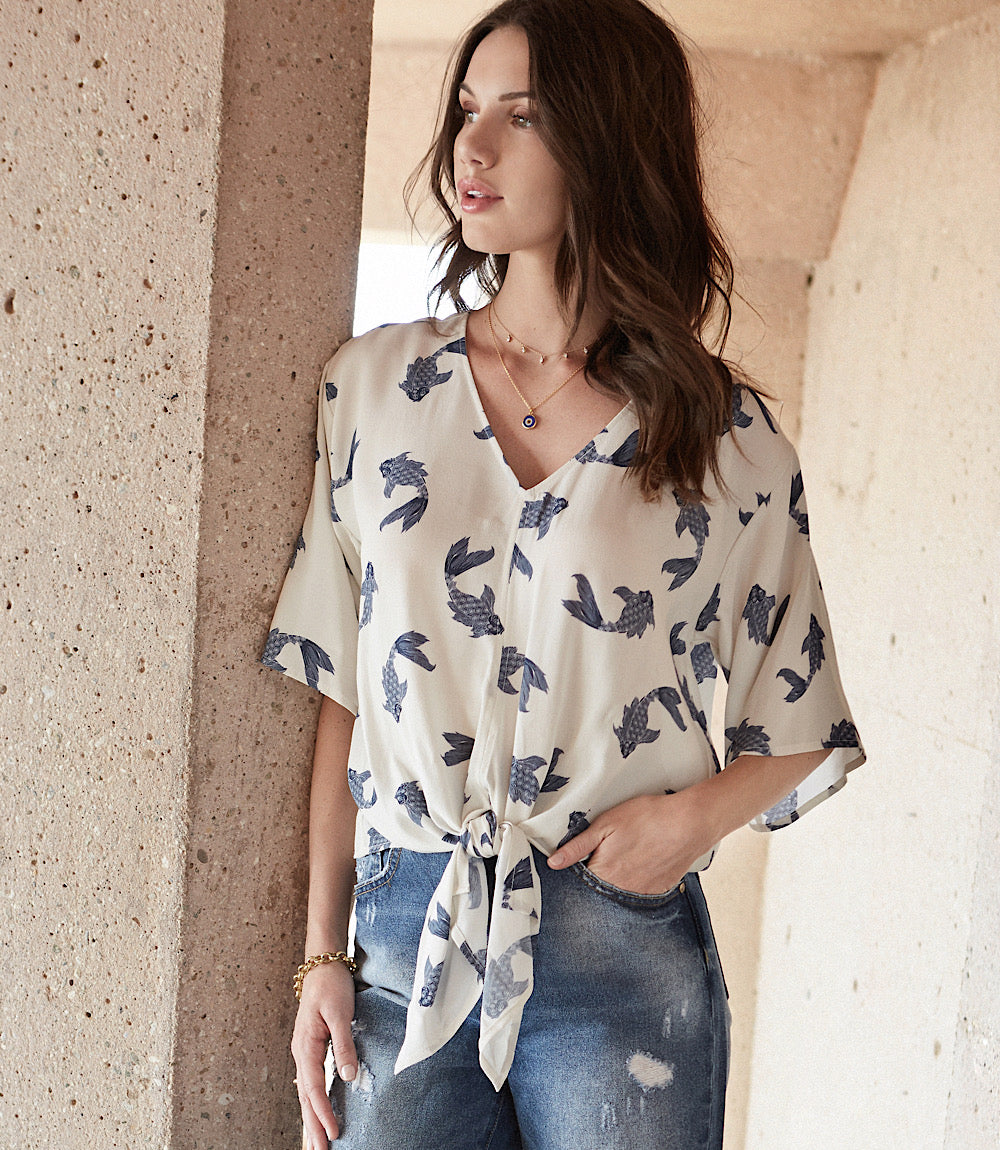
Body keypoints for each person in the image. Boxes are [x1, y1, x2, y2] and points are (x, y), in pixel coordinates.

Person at [262, 1, 866, 1146]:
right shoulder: (375, 390)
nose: (470, 150)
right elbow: (341, 686)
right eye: (465, 110)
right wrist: (321, 953)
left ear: (605, 142)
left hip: (621, 947)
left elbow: (803, 714)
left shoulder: (719, 434)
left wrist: (691, 823)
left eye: (521, 117)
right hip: (406, 931)